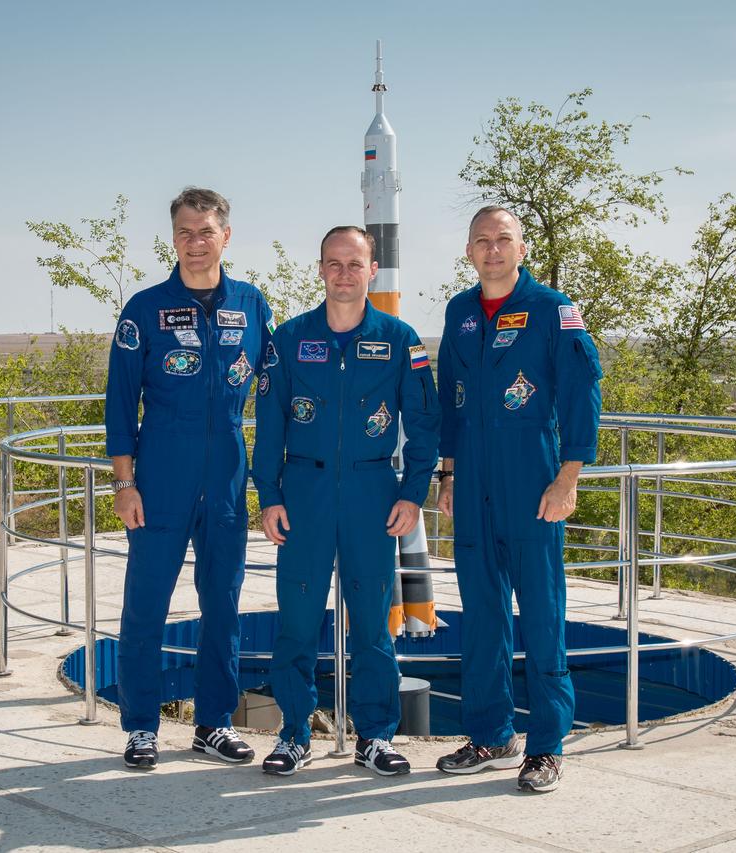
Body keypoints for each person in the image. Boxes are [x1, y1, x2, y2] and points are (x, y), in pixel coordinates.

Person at [252, 226, 439, 777]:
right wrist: (270, 496)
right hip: (304, 496)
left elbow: (423, 428)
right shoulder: (287, 339)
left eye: (354, 264)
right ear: (319, 270)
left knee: (373, 626)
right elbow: (269, 426)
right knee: (297, 622)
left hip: (372, 495)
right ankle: (293, 733)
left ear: (371, 270)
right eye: (333, 264)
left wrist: (413, 494)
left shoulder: (400, 339)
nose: (343, 273)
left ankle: (375, 736)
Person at [433, 206, 602, 793]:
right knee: (481, 615)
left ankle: (548, 746)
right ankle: (490, 734)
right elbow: (449, 404)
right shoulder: (458, 313)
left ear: (521, 249)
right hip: (472, 481)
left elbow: (582, 396)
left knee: (542, 614)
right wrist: (448, 474)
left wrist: (569, 478)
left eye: (503, 240)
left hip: (533, 480)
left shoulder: (555, 311)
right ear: (469, 250)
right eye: (481, 241)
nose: (492, 250)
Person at [105, 187, 274, 770]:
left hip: (227, 465)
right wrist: (125, 484)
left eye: (206, 232)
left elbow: (277, 392)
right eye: (185, 232)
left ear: (226, 236)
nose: (195, 243)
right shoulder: (145, 308)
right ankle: (141, 727)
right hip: (161, 469)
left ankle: (214, 723)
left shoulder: (252, 305)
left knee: (223, 603)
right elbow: (120, 402)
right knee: (146, 604)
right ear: (172, 238)